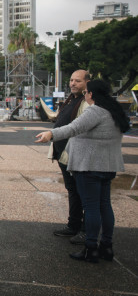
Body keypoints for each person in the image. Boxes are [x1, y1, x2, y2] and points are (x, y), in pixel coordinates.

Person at [35, 80, 129, 263]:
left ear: (91, 94)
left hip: (90, 166)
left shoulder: (95, 111)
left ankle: (91, 248)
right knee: (104, 206)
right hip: (107, 166)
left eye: (86, 92)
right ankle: (106, 247)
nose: (85, 95)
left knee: (91, 208)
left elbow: (74, 128)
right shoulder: (114, 111)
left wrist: (51, 134)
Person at [48, 70, 90, 244]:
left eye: (78, 81)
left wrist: (51, 134)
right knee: (73, 190)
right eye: (72, 80)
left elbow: (79, 128)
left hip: (76, 154)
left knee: (84, 193)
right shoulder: (72, 100)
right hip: (64, 154)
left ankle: (86, 230)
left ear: (87, 82)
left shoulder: (87, 102)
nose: (73, 83)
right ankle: (73, 225)